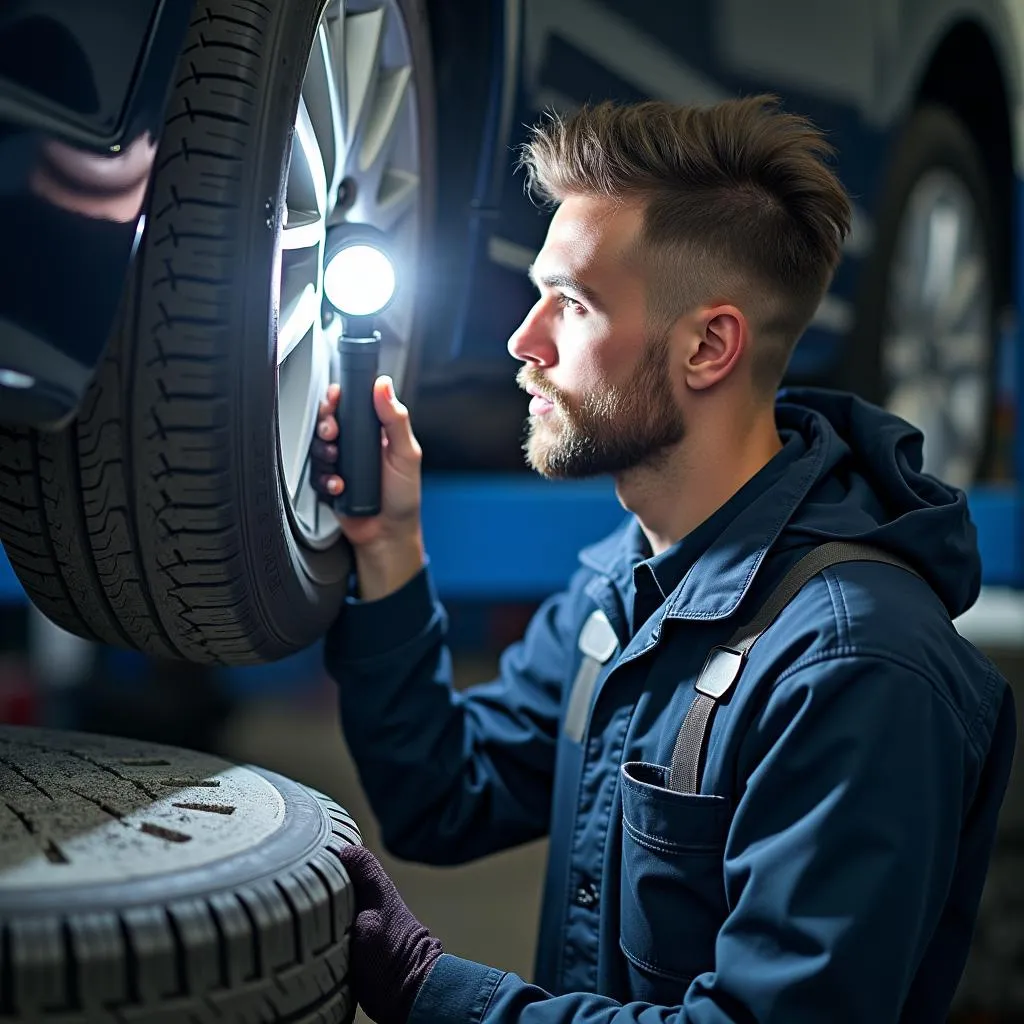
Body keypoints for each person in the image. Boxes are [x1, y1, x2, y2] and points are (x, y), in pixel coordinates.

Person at [310, 95, 1017, 1024]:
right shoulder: (626, 582)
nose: (524, 344)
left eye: (572, 301)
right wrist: (391, 545)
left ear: (709, 345)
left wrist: (432, 994)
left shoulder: (855, 668)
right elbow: (448, 795)